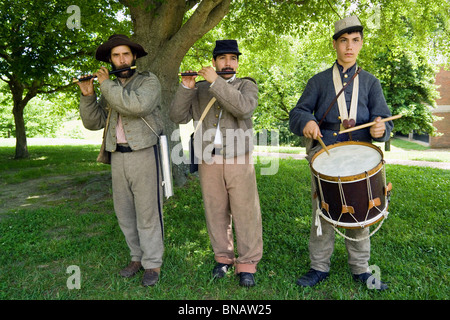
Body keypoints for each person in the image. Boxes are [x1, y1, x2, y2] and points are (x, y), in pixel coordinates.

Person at [289, 16, 393, 290]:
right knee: (322, 213)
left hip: (360, 156)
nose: (349, 47)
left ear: (361, 44)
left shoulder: (371, 82)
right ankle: (318, 266)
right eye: (344, 41)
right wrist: (307, 122)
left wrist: (381, 129)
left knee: (360, 212)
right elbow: (297, 113)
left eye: (355, 41)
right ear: (335, 44)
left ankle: (360, 268)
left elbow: (384, 119)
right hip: (326, 156)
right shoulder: (319, 81)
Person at [169, 40, 263, 287]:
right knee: (215, 211)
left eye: (233, 58)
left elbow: (244, 108)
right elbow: (177, 116)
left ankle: (247, 264)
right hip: (208, 158)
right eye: (222, 59)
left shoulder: (246, 85)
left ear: (238, 63)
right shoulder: (200, 88)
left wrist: (215, 82)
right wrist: (186, 87)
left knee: (245, 212)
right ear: (214, 62)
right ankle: (223, 258)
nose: (228, 63)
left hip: (238, 158)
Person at [76, 34, 164, 287]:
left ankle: (153, 263)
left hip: (144, 154)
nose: (121, 59)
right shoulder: (110, 88)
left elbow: (136, 107)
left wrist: (105, 86)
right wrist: (88, 96)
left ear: (134, 57)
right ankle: (136, 258)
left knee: (147, 213)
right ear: (111, 60)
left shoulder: (148, 81)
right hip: (117, 156)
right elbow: (94, 123)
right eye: (116, 56)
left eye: (125, 54)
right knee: (124, 213)